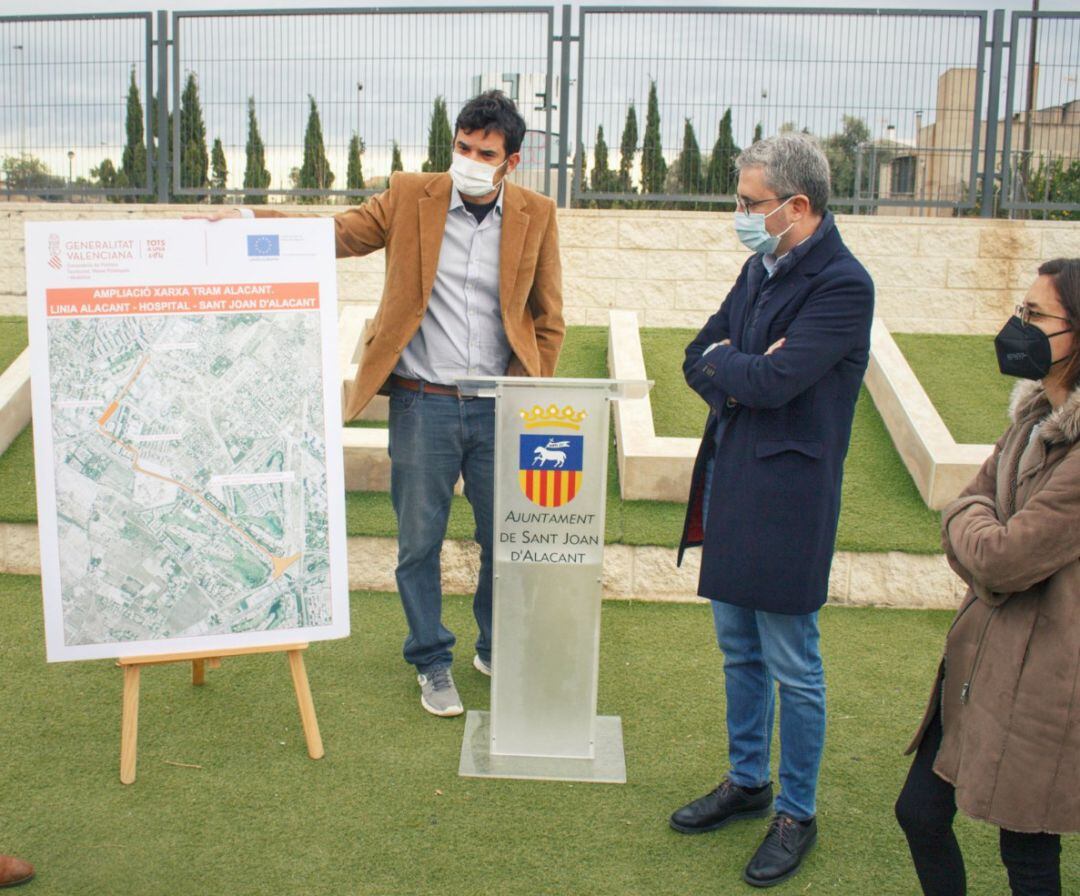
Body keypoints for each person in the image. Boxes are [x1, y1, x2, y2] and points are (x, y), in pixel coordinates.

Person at [212, 90, 564, 717]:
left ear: (510, 162)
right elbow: (339, 235)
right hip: (421, 402)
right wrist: (246, 223)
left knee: (503, 538)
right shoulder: (410, 195)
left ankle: (494, 642)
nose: (469, 160)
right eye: (462, 146)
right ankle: (431, 661)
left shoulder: (536, 212)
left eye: (485, 152)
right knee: (419, 542)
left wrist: (530, 391)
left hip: (497, 406)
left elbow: (548, 316)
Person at [671, 132, 874, 888]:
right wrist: (737, 365)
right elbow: (699, 353)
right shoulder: (758, 267)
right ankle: (748, 779)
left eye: (751, 204)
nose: (740, 215)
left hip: (789, 497)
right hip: (732, 480)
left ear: (798, 205)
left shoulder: (844, 285)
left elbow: (778, 379)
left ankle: (796, 809)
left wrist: (738, 367)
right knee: (738, 648)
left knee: (794, 662)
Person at [895, 258, 1080, 896]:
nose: (1016, 327)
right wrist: (982, 532)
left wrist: (980, 536)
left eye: (1035, 316)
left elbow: (1004, 558)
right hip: (978, 659)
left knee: (1026, 853)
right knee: (919, 813)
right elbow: (966, 508)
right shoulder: (1029, 417)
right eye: (1021, 312)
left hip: (1044, 677)